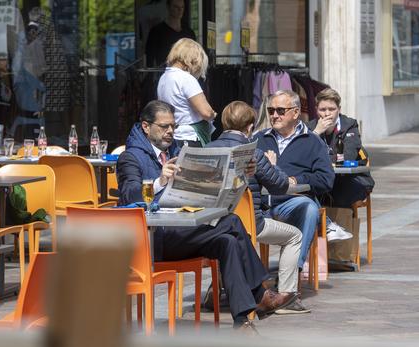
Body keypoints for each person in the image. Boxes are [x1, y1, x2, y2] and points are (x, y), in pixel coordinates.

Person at [117, 100, 297, 334]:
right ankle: (260, 294)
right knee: (232, 222)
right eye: (164, 127)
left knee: (228, 242)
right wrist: (160, 180)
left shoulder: (180, 151)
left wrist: (240, 172)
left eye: (173, 126)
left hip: (181, 231)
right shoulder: (130, 157)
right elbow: (129, 193)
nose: (170, 131)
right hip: (151, 241)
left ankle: (242, 322)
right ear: (145, 127)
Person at [207, 101, 308, 314]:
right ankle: (287, 296)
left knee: (224, 241)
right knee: (295, 236)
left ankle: (215, 291)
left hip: (213, 224)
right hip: (252, 224)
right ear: (250, 127)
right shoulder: (254, 153)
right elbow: (280, 186)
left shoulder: (207, 150)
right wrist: (272, 165)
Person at [253, 90, 335, 273]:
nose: (274, 115)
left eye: (280, 111)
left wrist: (296, 179)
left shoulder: (312, 142)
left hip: (291, 204)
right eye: (271, 110)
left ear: (296, 113)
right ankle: (239, 281)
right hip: (261, 208)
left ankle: (292, 272)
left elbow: (326, 179)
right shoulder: (258, 139)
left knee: (309, 207)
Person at [307, 88, 375, 209]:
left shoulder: (349, 125)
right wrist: (316, 133)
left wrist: (319, 161)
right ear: (316, 110)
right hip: (322, 179)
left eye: (332, 109)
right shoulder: (310, 128)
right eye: (323, 109)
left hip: (352, 179)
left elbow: (347, 156)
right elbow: (303, 155)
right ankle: (322, 225)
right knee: (305, 195)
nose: (327, 114)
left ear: (339, 109)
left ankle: (338, 225)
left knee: (338, 194)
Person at [157, 38, 216, 147]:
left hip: (174, 136)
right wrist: (213, 114)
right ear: (193, 59)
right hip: (190, 138)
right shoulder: (185, 78)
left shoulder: (163, 78)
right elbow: (207, 112)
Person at [145, 0, 196, 68]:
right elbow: (150, 58)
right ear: (168, 7)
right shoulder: (156, 31)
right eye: (176, 7)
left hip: (186, 74)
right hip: (164, 73)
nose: (180, 10)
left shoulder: (189, 33)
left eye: (182, 7)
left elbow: (195, 56)